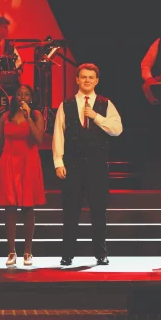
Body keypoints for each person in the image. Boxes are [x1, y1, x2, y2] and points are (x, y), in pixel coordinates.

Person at [54, 63, 123, 266]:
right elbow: (58, 134)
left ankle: (100, 253)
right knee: (71, 211)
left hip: (97, 166)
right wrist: (58, 162)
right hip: (73, 165)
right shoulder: (65, 105)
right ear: (77, 79)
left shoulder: (105, 104)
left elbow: (117, 129)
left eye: (91, 77)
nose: (86, 80)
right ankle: (67, 254)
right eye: (83, 77)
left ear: (96, 81)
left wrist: (96, 117)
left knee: (99, 210)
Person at [0, 83, 46, 266]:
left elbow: (39, 139)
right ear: (14, 97)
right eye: (19, 94)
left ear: (31, 98)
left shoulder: (37, 115)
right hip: (9, 162)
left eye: (26, 94)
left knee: (28, 207)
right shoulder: (5, 117)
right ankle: (11, 251)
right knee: (10, 207)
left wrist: (29, 118)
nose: (23, 97)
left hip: (29, 163)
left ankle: (28, 251)